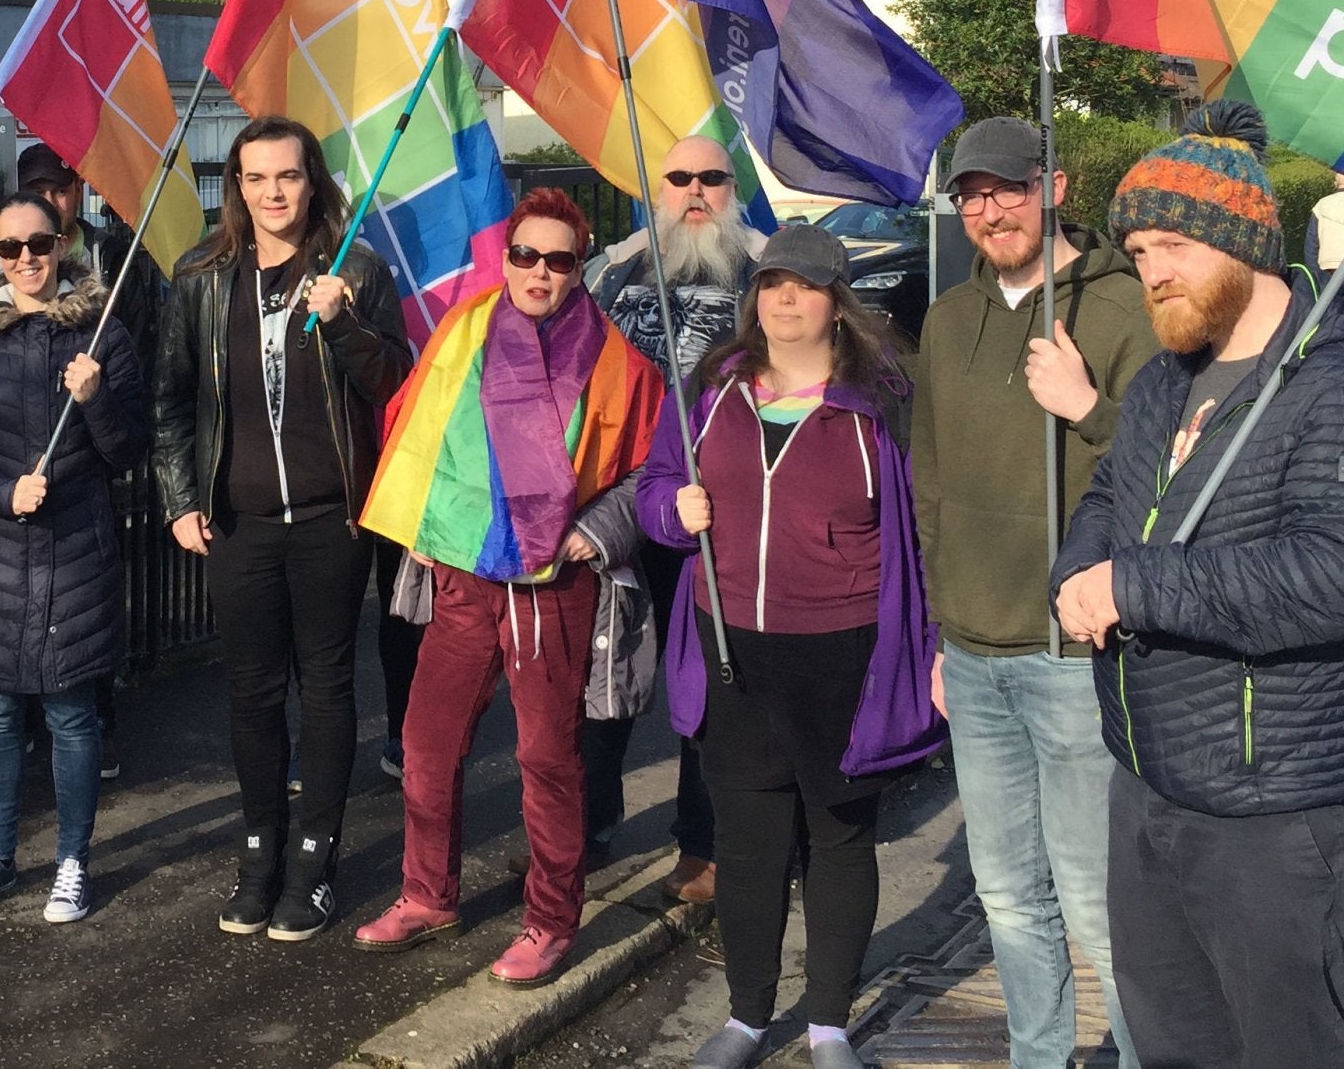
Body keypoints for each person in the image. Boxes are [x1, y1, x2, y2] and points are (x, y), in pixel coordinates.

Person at [1051, 103, 1344, 1069]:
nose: (1154, 270)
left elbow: (1335, 576)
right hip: (1147, 780)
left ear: (1247, 242)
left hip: (1275, 812)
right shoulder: (1170, 377)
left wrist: (1130, 588)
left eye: (1175, 242)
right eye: (1138, 249)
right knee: (1174, 1047)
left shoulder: (1343, 383)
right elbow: (1106, 498)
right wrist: (1074, 576)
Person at [636, 222, 940, 1069]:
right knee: (748, 840)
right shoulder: (711, 385)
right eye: (771, 284)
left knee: (839, 836)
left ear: (837, 303)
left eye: (803, 286)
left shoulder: (883, 398)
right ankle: (746, 1017)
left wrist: (934, 642)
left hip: (843, 649)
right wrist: (672, 513)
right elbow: (656, 487)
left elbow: (924, 524)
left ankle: (831, 1024)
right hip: (730, 644)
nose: (784, 300)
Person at [352, 189, 665, 989]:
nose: (538, 272)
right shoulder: (461, 335)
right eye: (524, 254)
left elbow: (649, 471)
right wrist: (429, 525)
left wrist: (593, 532)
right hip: (463, 578)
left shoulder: (619, 364)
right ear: (508, 257)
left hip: (552, 589)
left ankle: (552, 920)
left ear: (578, 269)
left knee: (547, 760)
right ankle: (427, 895)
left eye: (558, 260)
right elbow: (414, 426)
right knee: (426, 745)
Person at [913, 116, 1155, 1067]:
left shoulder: (1120, 308)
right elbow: (931, 483)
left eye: (1006, 188)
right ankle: (1039, 1056)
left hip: (1071, 656)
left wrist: (1087, 407)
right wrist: (940, 632)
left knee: (1098, 902)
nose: (988, 211)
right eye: (970, 195)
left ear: (1052, 187)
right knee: (1008, 894)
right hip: (973, 657)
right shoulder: (945, 318)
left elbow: (1170, 473)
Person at [153, 115, 412, 942]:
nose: (273, 193)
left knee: (329, 691)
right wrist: (178, 497)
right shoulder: (200, 276)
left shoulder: (356, 270)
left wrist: (341, 322)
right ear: (236, 186)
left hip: (333, 522)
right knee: (253, 693)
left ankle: (314, 858)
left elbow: (393, 384)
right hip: (238, 524)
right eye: (256, 178)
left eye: (288, 177)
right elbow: (170, 401)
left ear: (313, 182)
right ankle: (259, 852)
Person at [0, 192, 145, 925]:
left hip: (74, 551)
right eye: (11, 247)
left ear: (64, 247)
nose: (26, 259)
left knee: (71, 712)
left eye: (40, 245)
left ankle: (73, 862)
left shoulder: (102, 336)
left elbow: (128, 452)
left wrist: (93, 400)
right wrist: (1, 491)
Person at [580, 133, 769, 903]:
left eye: (712, 178)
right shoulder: (613, 270)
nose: (696, 190)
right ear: (657, 188)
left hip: (713, 508)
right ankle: (582, 830)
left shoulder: (767, 270)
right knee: (602, 675)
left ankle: (705, 844)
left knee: (708, 682)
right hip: (620, 502)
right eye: (679, 177)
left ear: (734, 186)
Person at [14, 141, 166, 782]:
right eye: (44, 188)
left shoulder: (114, 252)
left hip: (94, 449)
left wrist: (122, 417)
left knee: (90, 604)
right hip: (21, 458)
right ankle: (13, 726)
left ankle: (96, 725)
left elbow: (143, 334)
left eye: (66, 185)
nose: (57, 198)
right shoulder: (8, 261)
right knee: (16, 602)